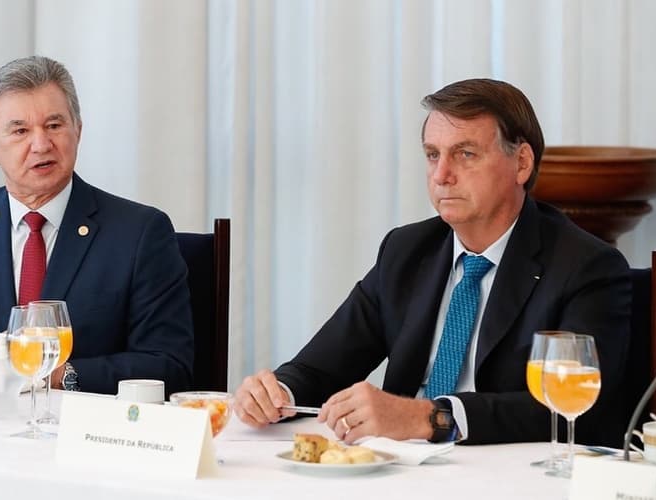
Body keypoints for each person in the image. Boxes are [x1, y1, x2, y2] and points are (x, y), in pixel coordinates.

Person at [233, 78, 631, 446]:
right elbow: (321, 368)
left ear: (521, 163)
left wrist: (431, 418)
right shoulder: (406, 250)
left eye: (465, 154)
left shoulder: (586, 266)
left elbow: (570, 412)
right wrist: (277, 393)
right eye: (432, 155)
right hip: (402, 470)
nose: (442, 175)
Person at [0, 56, 194, 395]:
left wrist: (55, 373)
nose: (41, 145)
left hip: (85, 434)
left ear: (78, 131)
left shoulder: (140, 233)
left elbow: (170, 364)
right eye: (20, 130)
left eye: (54, 126)